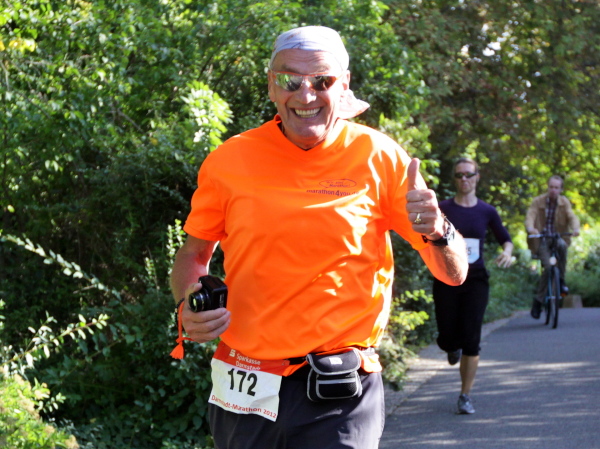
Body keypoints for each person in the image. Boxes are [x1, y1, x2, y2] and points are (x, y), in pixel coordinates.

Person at [170, 25, 468, 449]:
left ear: (343, 85)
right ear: (272, 86)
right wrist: (187, 304)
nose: (306, 95)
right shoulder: (230, 159)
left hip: (339, 391)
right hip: (245, 385)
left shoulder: (380, 157)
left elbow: (454, 274)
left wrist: (438, 229)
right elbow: (194, 254)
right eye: (290, 80)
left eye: (322, 81)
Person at [432, 157, 513, 415]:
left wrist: (507, 253)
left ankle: (465, 395)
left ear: (477, 177)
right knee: (447, 336)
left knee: (472, 338)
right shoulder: (443, 208)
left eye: (468, 174)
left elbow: (505, 239)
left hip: (476, 280)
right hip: (446, 278)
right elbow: (424, 232)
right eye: (459, 175)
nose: (464, 179)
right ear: (454, 179)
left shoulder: (487, 211)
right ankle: (450, 346)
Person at [525, 175, 580, 319]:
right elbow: (530, 215)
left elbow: (572, 216)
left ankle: (561, 280)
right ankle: (538, 301)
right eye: (551, 187)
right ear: (548, 187)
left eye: (556, 187)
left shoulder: (564, 202)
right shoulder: (538, 201)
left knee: (562, 246)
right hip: (542, 239)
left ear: (561, 189)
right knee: (548, 268)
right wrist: (531, 228)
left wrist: (575, 229)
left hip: (558, 237)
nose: (553, 190)